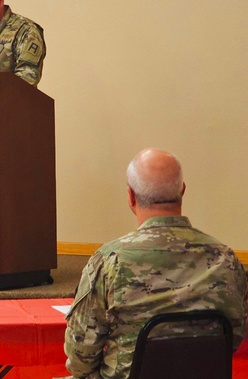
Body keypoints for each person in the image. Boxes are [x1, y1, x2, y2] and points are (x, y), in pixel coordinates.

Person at [63, 148, 247, 378]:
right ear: (182, 190)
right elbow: (234, 334)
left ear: (130, 196)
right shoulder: (225, 258)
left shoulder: (110, 260)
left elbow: (80, 356)